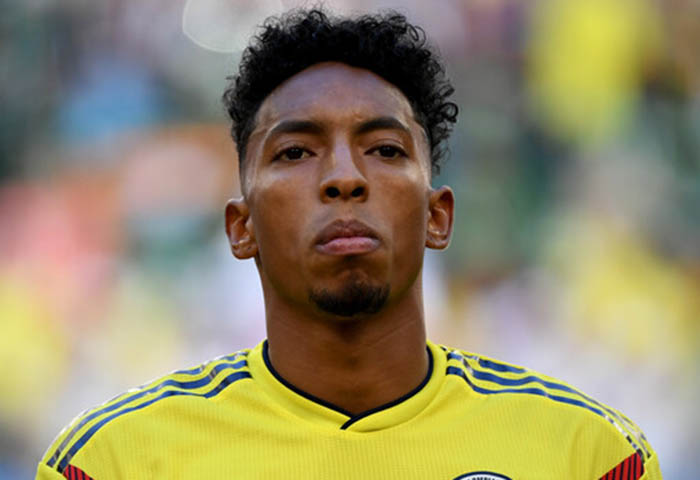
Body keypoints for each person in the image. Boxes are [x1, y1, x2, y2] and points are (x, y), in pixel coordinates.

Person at [37, 8, 662, 480]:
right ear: (241, 227)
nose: (344, 177)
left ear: (438, 217)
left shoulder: (592, 457)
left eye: (385, 149)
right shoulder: (108, 464)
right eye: (295, 152)